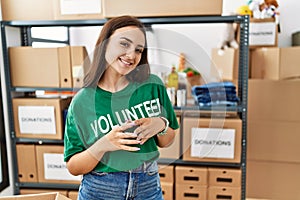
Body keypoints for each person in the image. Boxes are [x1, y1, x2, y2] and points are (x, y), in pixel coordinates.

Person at [64, 15, 180, 200]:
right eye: (124, 44)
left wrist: (162, 124)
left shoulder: (152, 86)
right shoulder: (82, 102)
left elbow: (167, 140)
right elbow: (73, 167)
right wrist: (103, 145)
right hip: (100, 189)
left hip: (148, 186)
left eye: (138, 50)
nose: (132, 55)